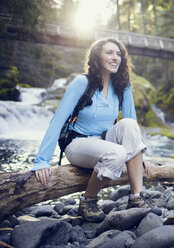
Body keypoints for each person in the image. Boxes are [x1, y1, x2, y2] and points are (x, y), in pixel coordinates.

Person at [32, 38, 153, 222]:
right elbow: (57, 120)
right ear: (97, 57)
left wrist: (140, 156)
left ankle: (137, 197)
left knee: (129, 123)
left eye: (118, 54)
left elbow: (131, 123)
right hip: (77, 143)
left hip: (105, 141)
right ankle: (88, 201)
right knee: (117, 153)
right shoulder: (82, 82)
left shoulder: (123, 86)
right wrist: (42, 160)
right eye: (109, 53)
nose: (115, 58)